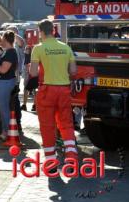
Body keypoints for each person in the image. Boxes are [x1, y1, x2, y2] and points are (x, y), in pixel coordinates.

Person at [29, 19, 78, 168]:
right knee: (66, 124)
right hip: (64, 89)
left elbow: (32, 73)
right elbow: (73, 71)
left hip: (47, 90)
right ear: (53, 31)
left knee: (47, 126)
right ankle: (71, 157)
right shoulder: (66, 48)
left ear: (41, 32)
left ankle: (51, 161)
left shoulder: (38, 48)